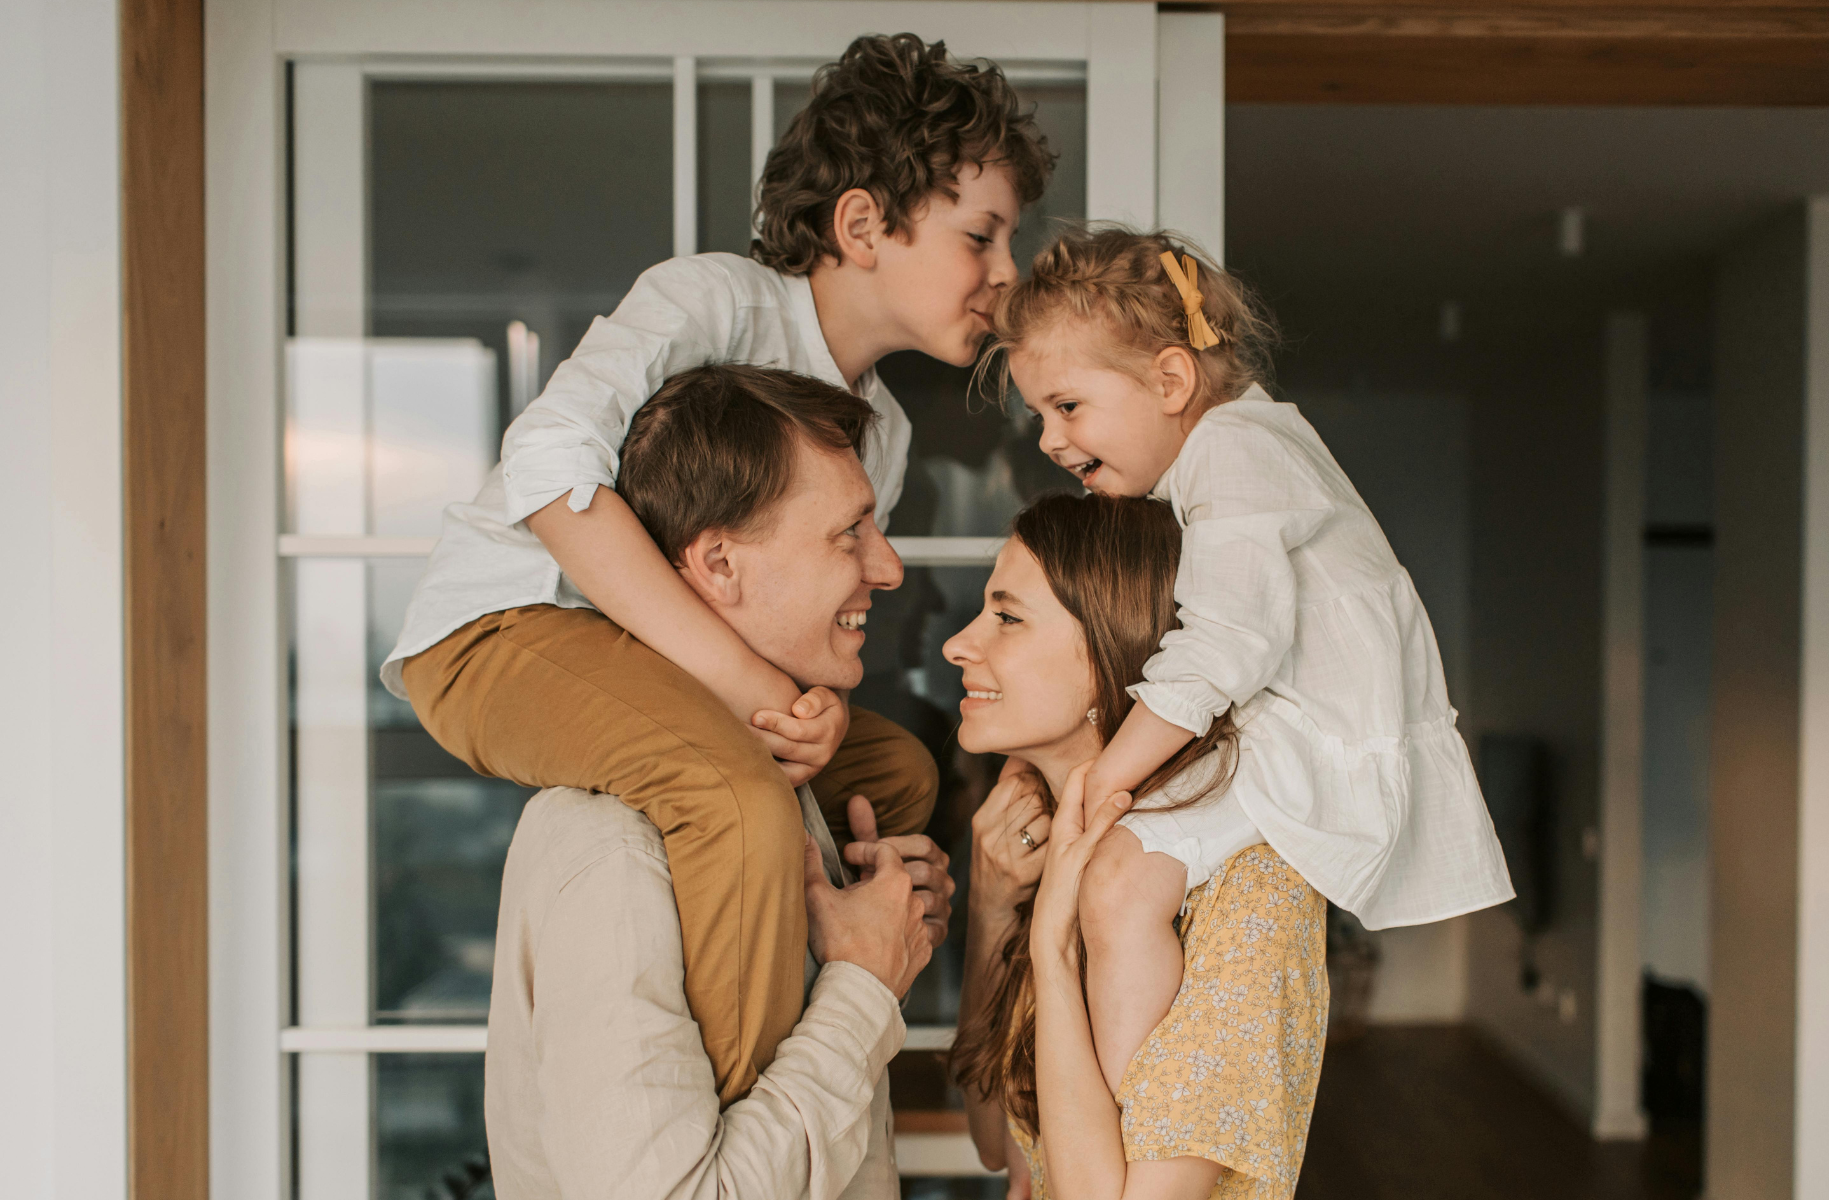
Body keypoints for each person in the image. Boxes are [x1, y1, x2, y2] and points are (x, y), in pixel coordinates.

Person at [386, 35, 1052, 1104]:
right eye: (982, 235)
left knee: (897, 780)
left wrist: (814, 709)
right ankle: (741, 1126)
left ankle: (806, 975)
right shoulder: (711, 303)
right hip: (505, 631)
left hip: (665, 670)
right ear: (863, 225)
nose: (1006, 274)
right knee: (734, 795)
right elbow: (547, 468)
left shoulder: (878, 433)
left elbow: (790, 630)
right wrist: (755, 690)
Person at [987, 226, 1515, 1096]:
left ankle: (1126, 1130)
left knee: (1118, 877)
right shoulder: (1240, 448)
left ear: (1170, 379)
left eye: (1067, 406)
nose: (1049, 438)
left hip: (1319, 740)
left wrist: (1102, 782)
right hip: (1295, 729)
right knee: (1120, 878)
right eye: (1039, 413)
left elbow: (1224, 647)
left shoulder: (1234, 450)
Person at [486, 363, 956, 1199]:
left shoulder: (789, 796)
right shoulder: (614, 848)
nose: (886, 569)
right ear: (719, 564)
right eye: (848, 532)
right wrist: (860, 989)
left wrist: (882, 929)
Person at [946, 493, 1328, 1199]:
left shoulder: (1251, 888)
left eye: (1006, 617)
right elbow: (997, 1141)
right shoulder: (1058, 846)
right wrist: (997, 906)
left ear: (1107, 649)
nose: (958, 644)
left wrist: (1053, 951)